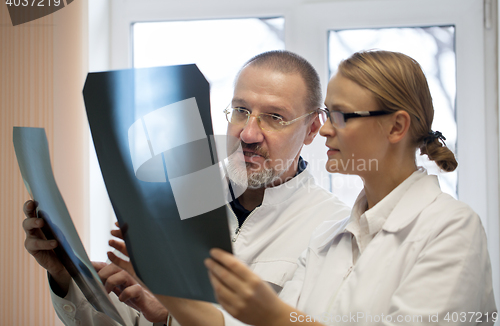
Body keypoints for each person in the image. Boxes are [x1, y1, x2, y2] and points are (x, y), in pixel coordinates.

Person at [22, 50, 350, 325]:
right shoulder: (179, 202)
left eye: (275, 117)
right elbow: (135, 319)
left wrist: (173, 314)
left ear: (312, 129)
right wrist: (65, 276)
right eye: (241, 111)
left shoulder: (334, 230)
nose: (248, 134)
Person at [195, 50, 496, 325]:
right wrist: (169, 305)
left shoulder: (452, 228)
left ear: (396, 127)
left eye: (340, 115)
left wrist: (273, 315)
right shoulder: (328, 239)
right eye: (327, 113)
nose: (325, 128)